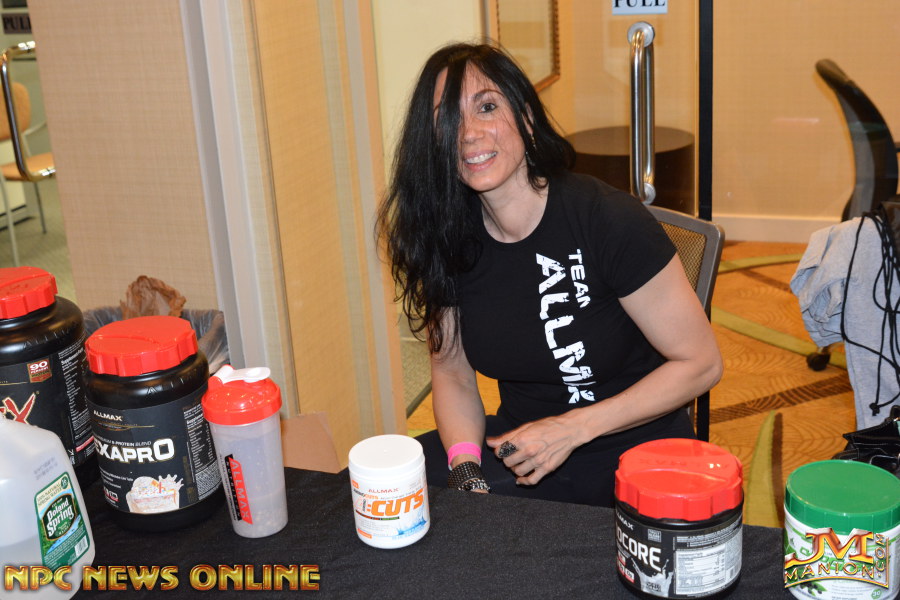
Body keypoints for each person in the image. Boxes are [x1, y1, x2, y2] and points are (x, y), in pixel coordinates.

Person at [377, 42, 722, 507]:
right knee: (387, 498)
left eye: (487, 107)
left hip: (638, 453)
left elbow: (701, 363)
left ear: (526, 116)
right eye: (448, 120)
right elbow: (452, 372)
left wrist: (572, 428)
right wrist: (466, 468)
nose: (468, 134)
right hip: (523, 453)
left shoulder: (606, 218)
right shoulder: (448, 237)